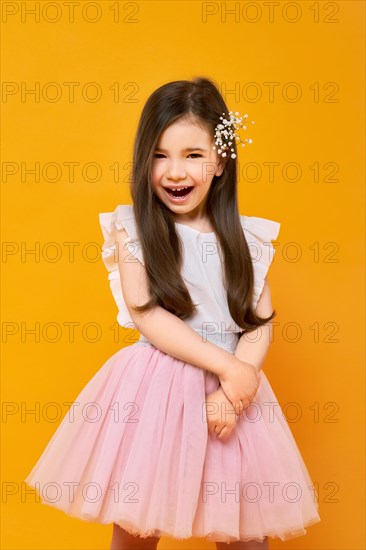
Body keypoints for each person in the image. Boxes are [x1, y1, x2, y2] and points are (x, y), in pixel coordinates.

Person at [25, 76, 321, 550]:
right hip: (156, 396)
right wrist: (230, 367)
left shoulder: (247, 240)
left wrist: (235, 392)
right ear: (144, 161)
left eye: (192, 155)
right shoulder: (134, 231)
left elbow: (259, 321)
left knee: (246, 531)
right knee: (139, 525)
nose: (174, 171)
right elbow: (149, 316)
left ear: (220, 160)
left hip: (231, 399)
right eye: (160, 155)